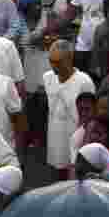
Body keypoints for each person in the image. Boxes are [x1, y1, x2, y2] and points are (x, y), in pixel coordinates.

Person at [44, 41, 97, 179]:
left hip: (75, 143)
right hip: (54, 143)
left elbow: (90, 117)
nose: (54, 66)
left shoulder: (84, 81)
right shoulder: (47, 77)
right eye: (51, 61)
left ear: (70, 58)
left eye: (58, 62)